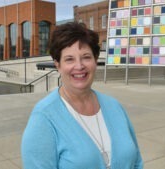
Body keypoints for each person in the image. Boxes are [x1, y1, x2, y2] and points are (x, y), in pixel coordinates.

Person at [21, 22, 143, 169]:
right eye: (69, 59)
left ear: (95, 60)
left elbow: (136, 162)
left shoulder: (114, 106)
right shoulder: (44, 118)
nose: (79, 66)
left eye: (86, 57)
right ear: (57, 65)